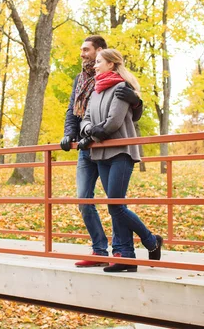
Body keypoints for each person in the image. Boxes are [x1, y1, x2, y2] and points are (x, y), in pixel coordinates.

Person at [60, 35, 143, 267]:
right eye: (81, 49)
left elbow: (128, 115)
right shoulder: (81, 80)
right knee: (83, 199)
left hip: (108, 146)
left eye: (86, 50)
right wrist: (70, 133)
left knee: (115, 203)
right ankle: (99, 251)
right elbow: (74, 110)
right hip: (86, 147)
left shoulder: (117, 81)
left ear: (100, 52)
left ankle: (122, 251)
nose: (83, 54)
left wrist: (137, 102)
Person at [79, 48, 162, 273]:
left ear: (111, 65)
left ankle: (151, 241)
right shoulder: (96, 90)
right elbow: (85, 118)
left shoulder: (122, 88)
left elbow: (114, 123)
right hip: (102, 155)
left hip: (121, 153)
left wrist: (91, 136)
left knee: (115, 206)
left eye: (98, 62)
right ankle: (126, 255)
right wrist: (87, 130)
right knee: (116, 206)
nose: (95, 66)